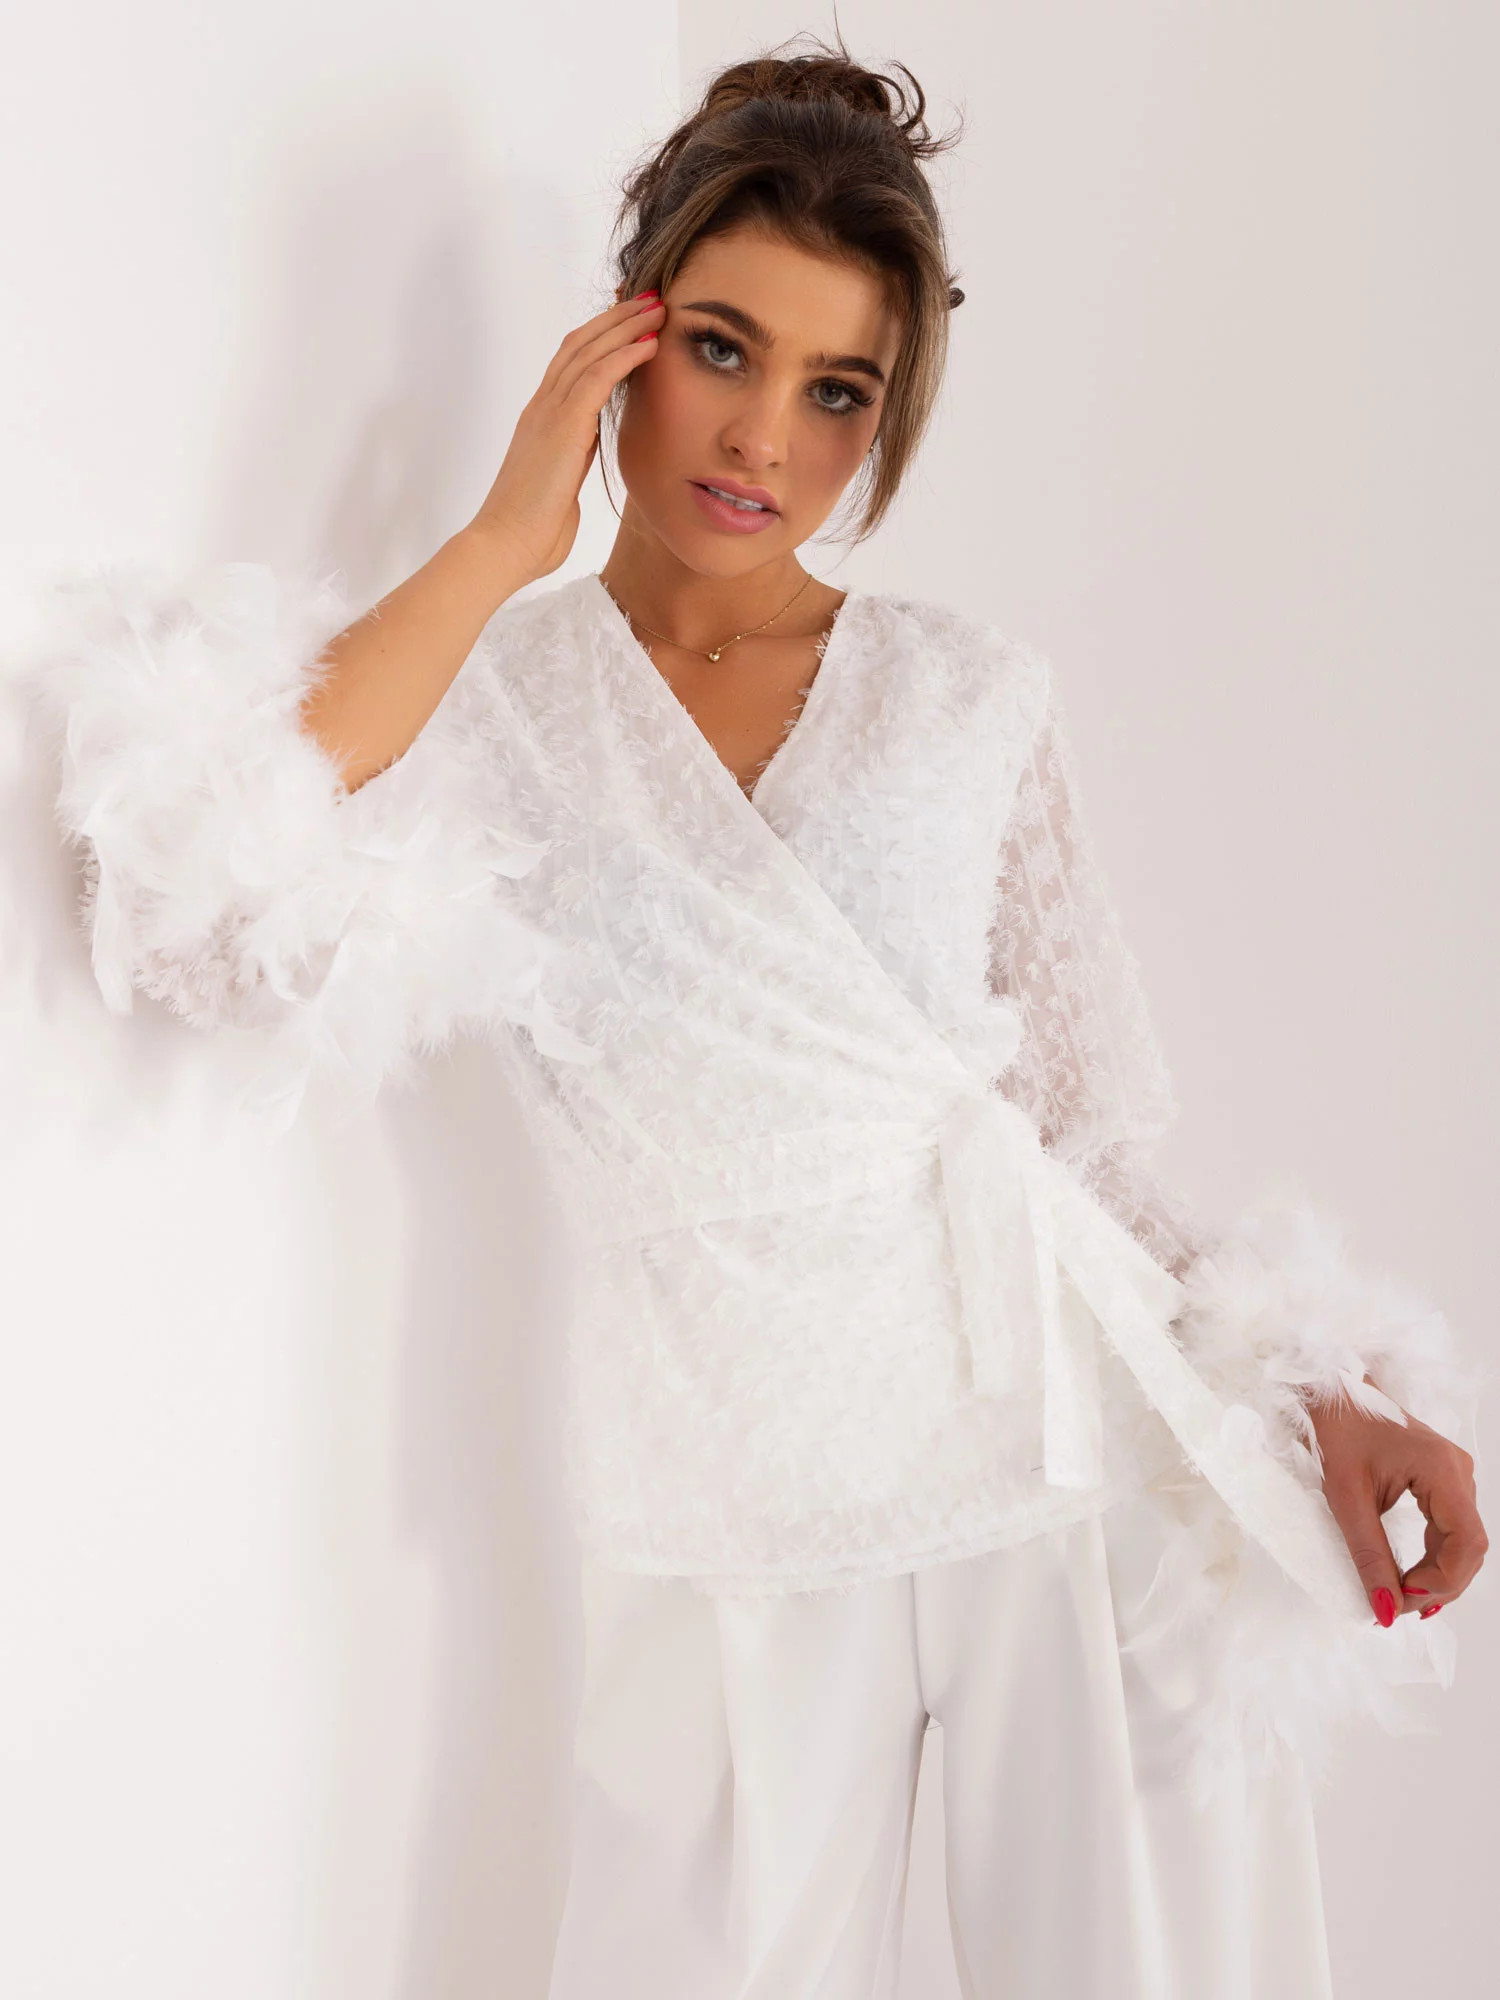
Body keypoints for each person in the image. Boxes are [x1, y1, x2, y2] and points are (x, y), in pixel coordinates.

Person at [23, 40, 1486, 2000]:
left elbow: (1087, 1137)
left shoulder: (968, 693)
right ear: (621, 337)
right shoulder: (491, 698)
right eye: (721, 348)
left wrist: (1319, 1382)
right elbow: (192, 926)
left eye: (837, 391)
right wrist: (496, 545)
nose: (762, 438)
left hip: (1068, 1461)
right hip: (721, 1506)